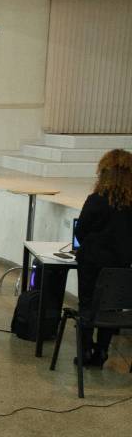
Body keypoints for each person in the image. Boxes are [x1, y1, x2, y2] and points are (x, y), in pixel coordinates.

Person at [73, 149, 132, 368]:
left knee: (87, 305)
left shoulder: (96, 200)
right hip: (121, 266)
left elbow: (81, 231)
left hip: (91, 263)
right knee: (111, 307)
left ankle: (85, 351)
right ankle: (102, 351)